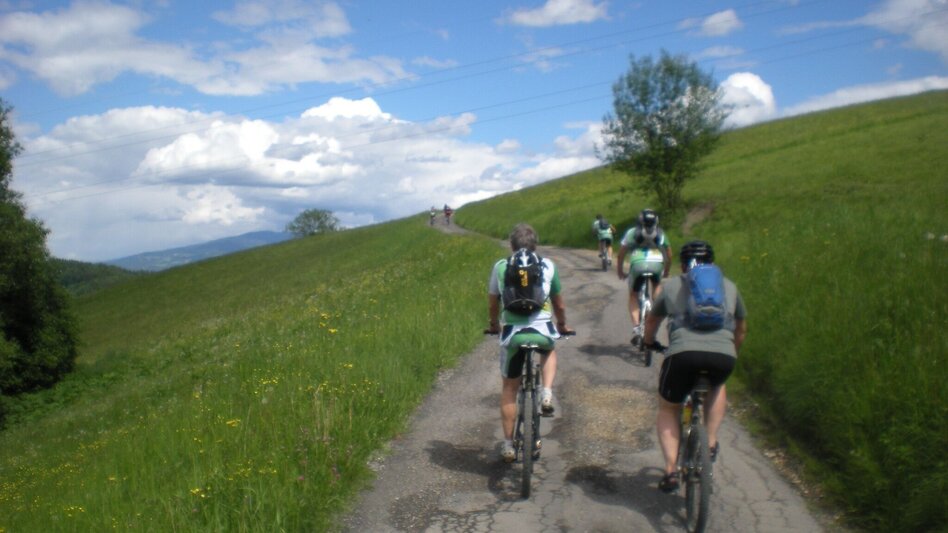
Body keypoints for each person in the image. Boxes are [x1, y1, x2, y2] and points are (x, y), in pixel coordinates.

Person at [642, 240, 747, 493]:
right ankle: (710, 442)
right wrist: (731, 351)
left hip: (682, 355)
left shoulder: (672, 286)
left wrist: (648, 342)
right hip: (723, 355)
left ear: (682, 265)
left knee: (669, 408)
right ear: (712, 262)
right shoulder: (729, 286)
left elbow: (652, 321)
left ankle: (671, 471)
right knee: (717, 385)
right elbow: (741, 329)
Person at [487, 223, 573, 462]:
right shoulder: (548, 265)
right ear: (536, 245)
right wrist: (562, 325)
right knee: (549, 349)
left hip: (513, 335)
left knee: (509, 389)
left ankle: (508, 445)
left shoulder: (501, 266)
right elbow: (559, 304)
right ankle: (546, 393)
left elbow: (493, 303)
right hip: (541, 331)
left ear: (511, 245)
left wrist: (494, 325)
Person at [616, 208, 671, 344]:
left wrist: (620, 270)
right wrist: (666, 270)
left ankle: (637, 328)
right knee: (656, 285)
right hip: (656, 263)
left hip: (638, 263)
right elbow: (669, 255)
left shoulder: (632, 232)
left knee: (633, 295)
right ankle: (655, 308)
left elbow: (621, 253)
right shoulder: (660, 233)